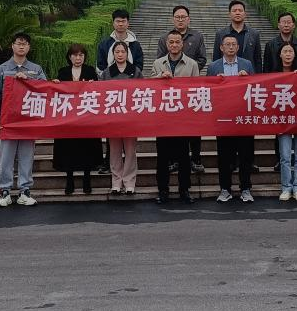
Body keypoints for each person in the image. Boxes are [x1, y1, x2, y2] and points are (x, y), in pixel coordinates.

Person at [0, 32, 48, 207]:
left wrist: (28, 79)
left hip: (28, 119)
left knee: (26, 156)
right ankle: (5, 191)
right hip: (8, 120)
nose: (21, 46)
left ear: (29, 47)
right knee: (6, 157)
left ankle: (24, 190)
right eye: (18, 43)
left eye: (25, 44)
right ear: (12, 46)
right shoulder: (1, 69)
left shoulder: (36, 69)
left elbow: (45, 89)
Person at [157, 5, 207, 174]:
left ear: (188, 19)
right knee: (171, 128)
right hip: (169, 93)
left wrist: (187, 70)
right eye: (177, 17)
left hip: (189, 90)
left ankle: (196, 159)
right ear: (173, 19)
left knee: (193, 127)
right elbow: (160, 60)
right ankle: (174, 160)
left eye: (183, 17)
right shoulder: (164, 38)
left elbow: (202, 59)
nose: (180, 19)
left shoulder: (197, 36)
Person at [207, 34, 256, 202]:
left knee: (245, 156)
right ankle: (225, 189)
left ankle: (246, 188)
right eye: (227, 44)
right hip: (223, 118)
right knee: (224, 157)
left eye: (233, 44)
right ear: (221, 47)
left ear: (238, 47)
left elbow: (256, 88)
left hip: (243, 118)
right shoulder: (213, 66)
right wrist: (216, 82)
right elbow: (208, 91)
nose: (230, 47)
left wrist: (247, 79)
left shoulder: (246, 64)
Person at [151, 30, 198, 204]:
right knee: (162, 157)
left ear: (182, 44)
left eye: (177, 42)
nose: (174, 45)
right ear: (166, 44)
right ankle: (163, 190)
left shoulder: (192, 64)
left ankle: (184, 189)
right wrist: (159, 78)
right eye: (171, 42)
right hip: (163, 118)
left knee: (184, 156)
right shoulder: (158, 63)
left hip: (183, 118)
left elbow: (197, 90)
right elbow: (150, 88)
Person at [52, 44, 101, 195]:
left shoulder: (90, 71)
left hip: (86, 117)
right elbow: (57, 93)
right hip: (68, 118)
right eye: (75, 55)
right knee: (68, 149)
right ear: (69, 57)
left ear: (84, 57)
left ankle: (87, 180)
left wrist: (94, 85)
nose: (78, 58)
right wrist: (55, 84)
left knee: (87, 149)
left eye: (81, 55)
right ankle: (70, 181)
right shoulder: (63, 72)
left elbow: (99, 91)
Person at [100, 41, 141, 196]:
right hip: (113, 118)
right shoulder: (107, 72)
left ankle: (129, 182)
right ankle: (116, 182)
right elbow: (100, 93)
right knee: (114, 151)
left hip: (130, 118)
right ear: (113, 54)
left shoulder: (135, 71)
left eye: (122, 51)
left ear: (127, 53)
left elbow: (143, 91)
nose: (120, 54)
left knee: (130, 151)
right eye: (117, 52)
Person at [273, 43, 297, 200]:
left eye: (290, 51)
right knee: (285, 156)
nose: (287, 54)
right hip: (283, 120)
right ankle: (286, 187)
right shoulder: (274, 74)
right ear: (280, 55)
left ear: (294, 55)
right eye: (285, 51)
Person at [212, 0, 261, 67]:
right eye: (234, 11)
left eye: (240, 10)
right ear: (229, 14)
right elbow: (216, 58)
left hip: (248, 72)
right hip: (226, 72)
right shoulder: (220, 34)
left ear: (245, 14)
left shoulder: (254, 34)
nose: (237, 13)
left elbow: (257, 59)